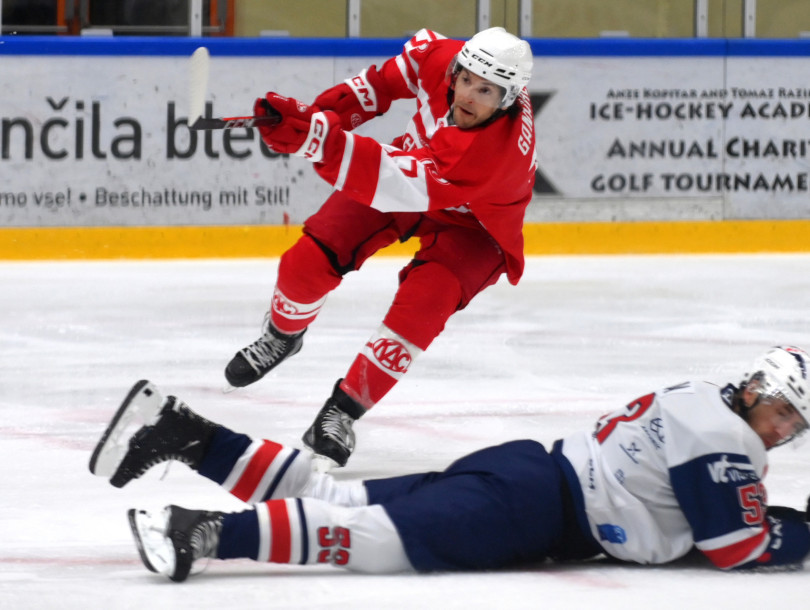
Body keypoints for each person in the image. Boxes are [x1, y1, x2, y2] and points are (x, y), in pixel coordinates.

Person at [90, 346, 810, 582]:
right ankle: (200, 532)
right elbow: (733, 545)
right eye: (781, 410)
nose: (780, 430)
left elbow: (704, 506)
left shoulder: (697, 396)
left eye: (794, 425)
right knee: (373, 539)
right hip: (537, 509)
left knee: (337, 498)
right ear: (755, 390)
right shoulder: (727, 437)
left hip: (529, 470)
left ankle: (186, 435)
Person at [222, 27, 536, 468]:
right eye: (465, 79)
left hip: (474, 225)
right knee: (306, 261)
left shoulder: (494, 154)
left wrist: (316, 139)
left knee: (420, 309)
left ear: (507, 99)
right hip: (412, 172)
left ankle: (342, 411)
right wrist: (319, 116)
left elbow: (394, 181)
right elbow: (379, 85)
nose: (468, 95)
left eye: (485, 91)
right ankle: (282, 337)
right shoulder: (441, 59)